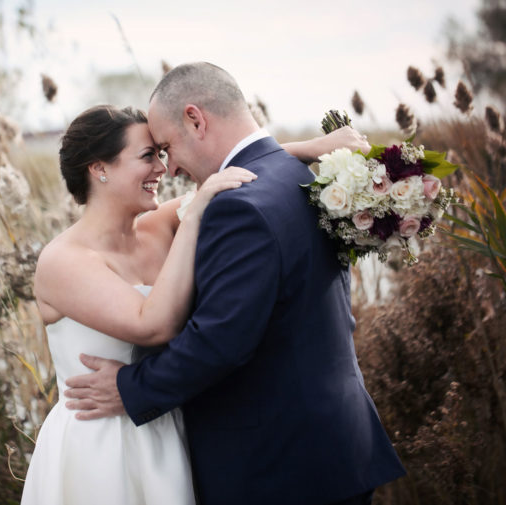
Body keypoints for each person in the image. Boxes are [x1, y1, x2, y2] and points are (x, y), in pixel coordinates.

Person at [63, 63, 406, 505]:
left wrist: (130, 388)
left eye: (165, 147)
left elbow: (220, 341)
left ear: (195, 119)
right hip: (333, 447)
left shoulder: (238, 207)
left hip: (280, 468)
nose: (171, 168)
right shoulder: (301, 176)